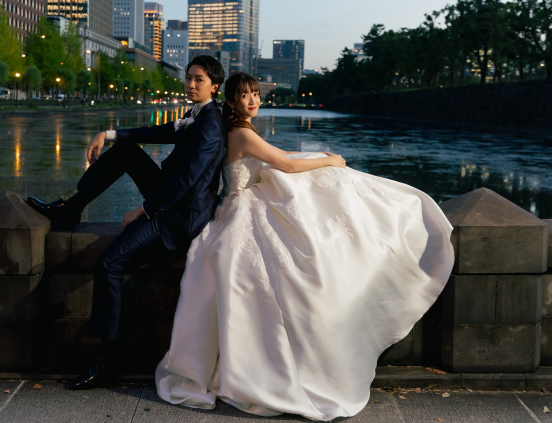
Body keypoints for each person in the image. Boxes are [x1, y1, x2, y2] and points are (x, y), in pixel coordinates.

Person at [155, 73, 455, 421]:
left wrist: (317, 157)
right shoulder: (241, 133)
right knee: (316, 199)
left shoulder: (238, 130)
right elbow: (284, 164)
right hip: (240, 207)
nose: (253, 100)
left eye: (255, 94)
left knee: (311, 198)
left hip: (244, 200)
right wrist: (328, 160)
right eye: (245, 96)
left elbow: (278, 157)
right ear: (232, 101)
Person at [25, 56, 227, 390]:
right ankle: (72, 208)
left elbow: (186, 183)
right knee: (126, 150)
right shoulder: (197, 115)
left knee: (109, 263)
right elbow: (160, 131)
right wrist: (110, 132)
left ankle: (109, 360)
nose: (191, 84)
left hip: (178, 216)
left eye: (199, 80)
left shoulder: (210, 124)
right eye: (189, 78)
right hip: (170, 197)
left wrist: (144, 210)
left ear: (214, 86)